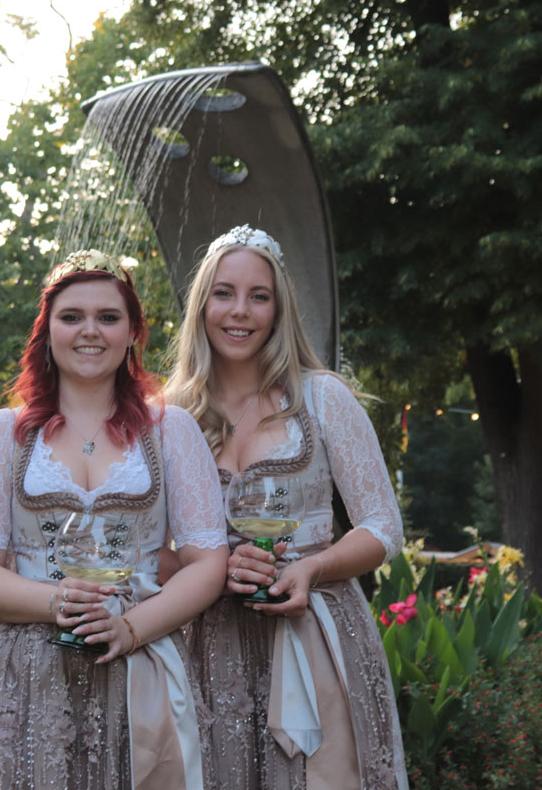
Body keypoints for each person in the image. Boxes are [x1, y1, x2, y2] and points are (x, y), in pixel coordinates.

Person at [0, 250, 229, 789]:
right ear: (46, 331)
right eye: (71, 316)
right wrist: (55, 602)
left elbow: (206, 562)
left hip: (142, 663)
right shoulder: (1, 434)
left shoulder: (171, 430)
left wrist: (132, 628)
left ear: (132, 333)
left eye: (108, 317)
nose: (90, 331)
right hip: (27, 673)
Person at [164, 225, 409, 790]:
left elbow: (383, 526)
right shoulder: (169, 416)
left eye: (259, 296)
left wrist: (311, 568)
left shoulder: (323, 398)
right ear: (201, 305)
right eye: (224, 293)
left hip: (315, 632)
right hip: (204, 643)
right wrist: (211, 571)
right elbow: (145, 547)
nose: (240, 311)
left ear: (278, 310)